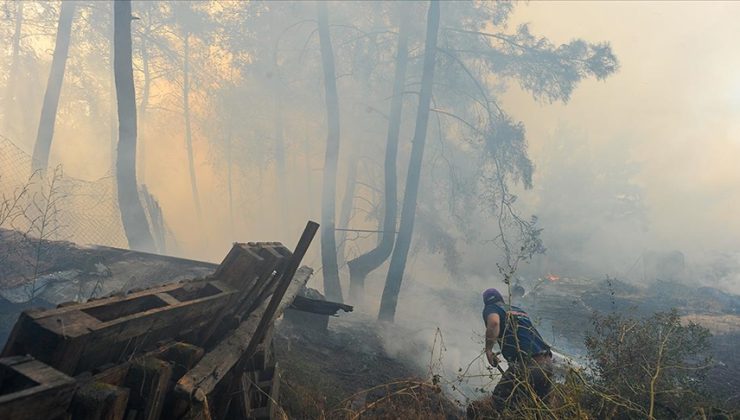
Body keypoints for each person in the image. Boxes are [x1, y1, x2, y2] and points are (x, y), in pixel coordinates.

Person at [481, 287, 553, 411]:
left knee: (500, 399)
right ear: (501, 299)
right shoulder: (519, 311)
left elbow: (494, 323)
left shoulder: (491, 308)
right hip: (547, 363)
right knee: (540, 409)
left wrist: (488, 350)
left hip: (527, 364)